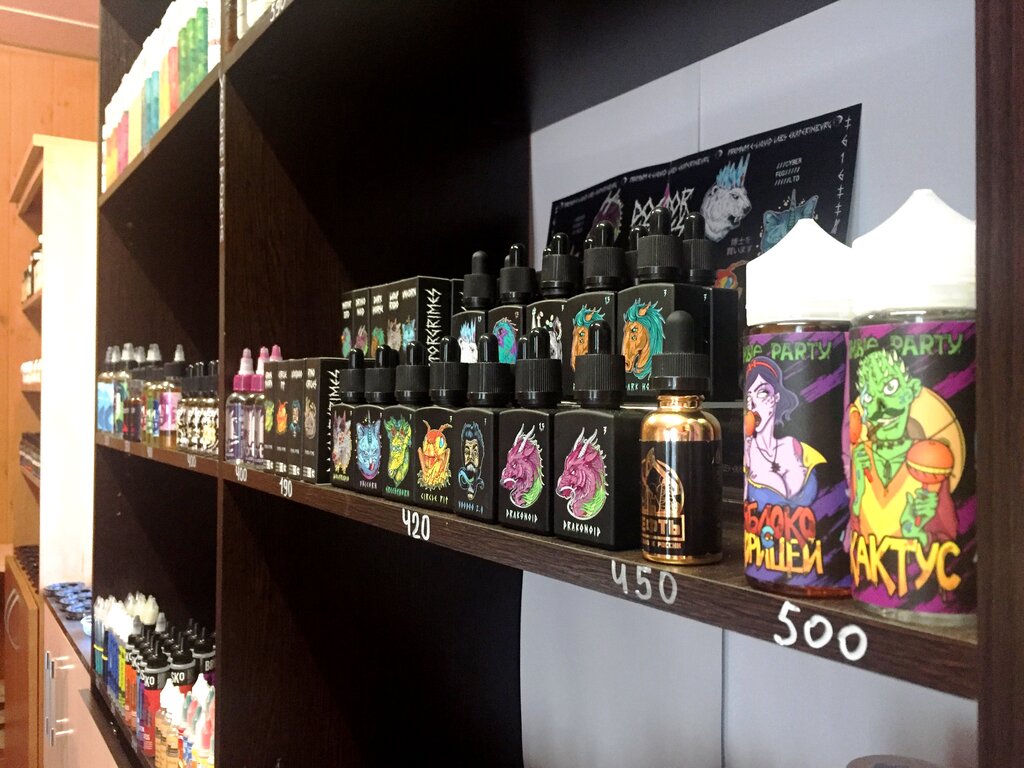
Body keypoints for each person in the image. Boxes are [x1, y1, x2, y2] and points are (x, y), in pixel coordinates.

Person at [744, 357, 823, 509]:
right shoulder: (749, 453)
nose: (753, 404)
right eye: (748, 397)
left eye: (762, 393)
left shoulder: (792, 446)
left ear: (776, 397)